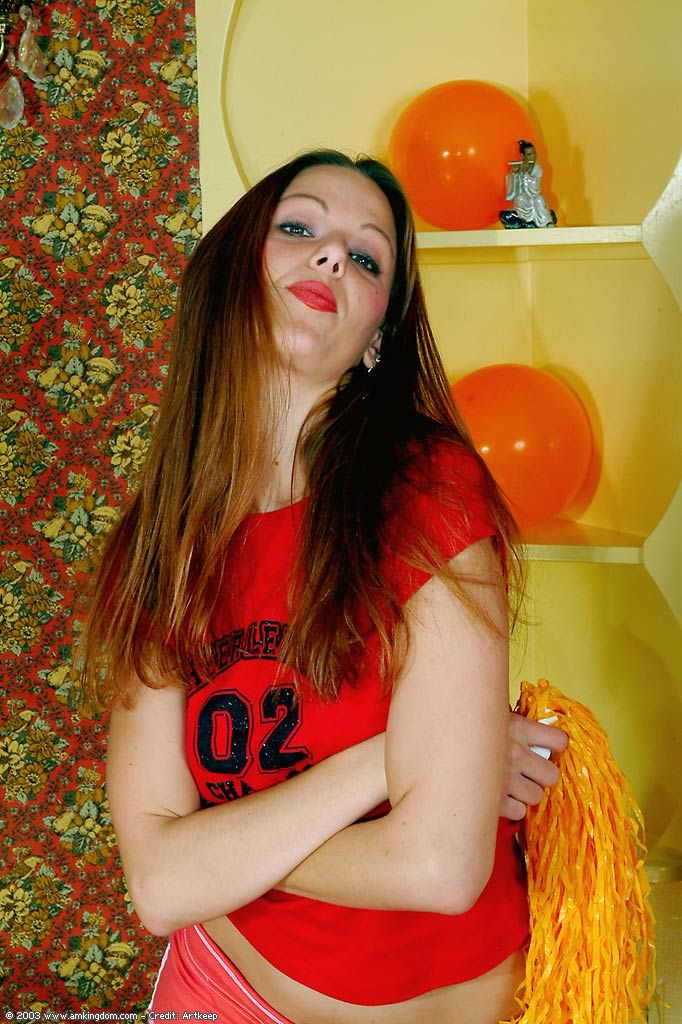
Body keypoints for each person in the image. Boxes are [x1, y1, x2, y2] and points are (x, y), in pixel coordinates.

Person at [80, 149, 567, 1024]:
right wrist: (402, 762)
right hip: (222, 990)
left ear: (377, 334)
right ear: (235, 273)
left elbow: (439, 866)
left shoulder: (427, 488)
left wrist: (209, 850)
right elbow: (157, 888)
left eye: (368, 257)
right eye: (300, 227)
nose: (334, 253)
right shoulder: (158, 549)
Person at [500, 140, 557, 229]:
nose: (533, 156)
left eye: (534, 153)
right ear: (522, 156)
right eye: (529, 154)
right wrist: (515, 173)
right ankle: (524, 221)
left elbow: (535, 186)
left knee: (539, 200)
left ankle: (546, 222)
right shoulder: (519, 167)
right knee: (520, 199)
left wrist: (526, 173)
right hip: (523, 197)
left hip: (534, 195)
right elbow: (513, 187)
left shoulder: (537, 168)